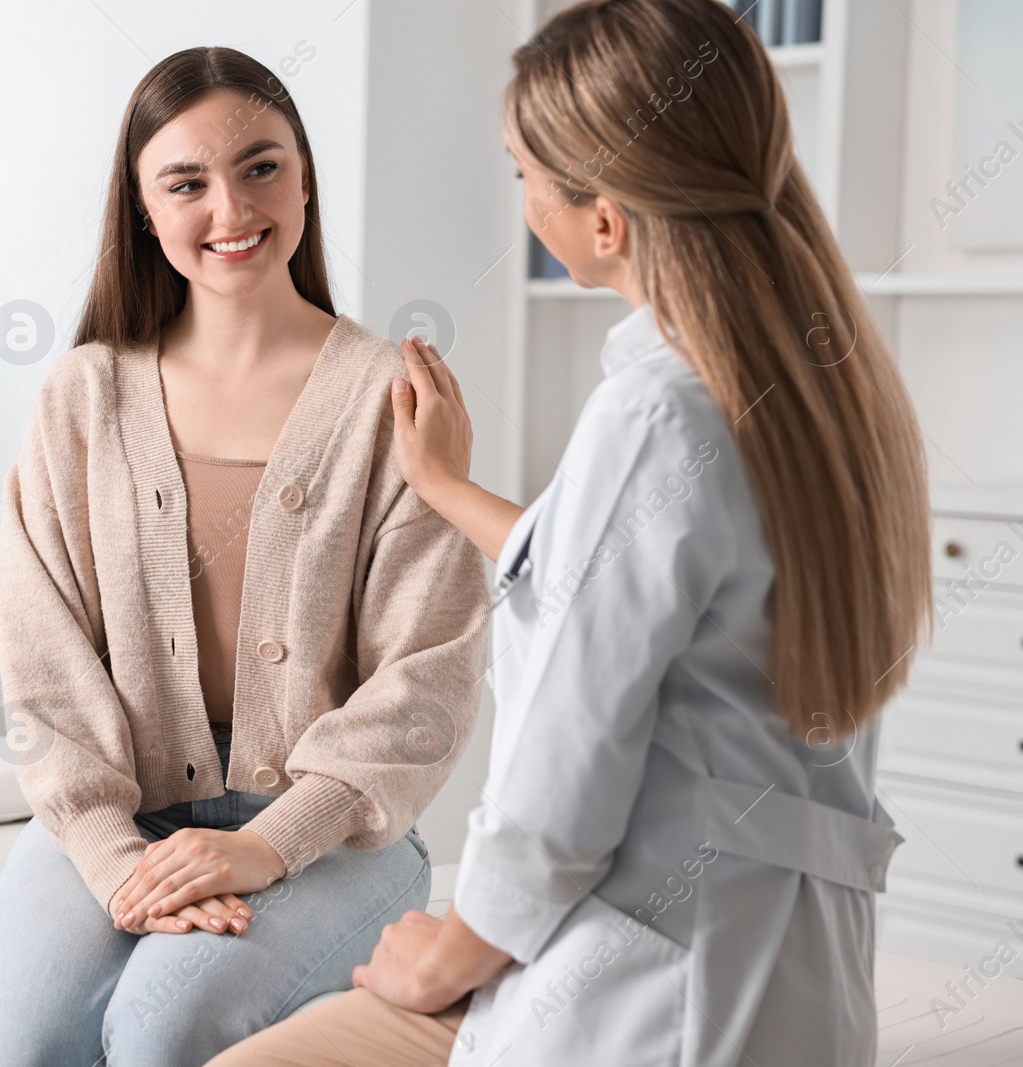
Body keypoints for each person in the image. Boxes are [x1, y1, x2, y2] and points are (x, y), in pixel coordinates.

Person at [207, 1, 932, 1064]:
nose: (521, 201)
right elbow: (625, 583)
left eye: (522, 174)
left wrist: (442, 955)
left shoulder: (652, 417)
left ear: (603, 222)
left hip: (646, 994)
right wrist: (447, 487)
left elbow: (563, 784)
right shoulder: (812, 389)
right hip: (793, 982)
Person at [0, 46, 491, 1067]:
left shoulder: (395, 395)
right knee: (25, 1039)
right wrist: (118, 856)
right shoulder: (83, 395)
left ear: (302, 178)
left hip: (333, 833)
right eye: (185, 182)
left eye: (261, 166)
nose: (229, 208)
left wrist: (264, 844)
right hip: (124, 806)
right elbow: (43, 658)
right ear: (143, 208)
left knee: (162, 1023)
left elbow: (428, 671)